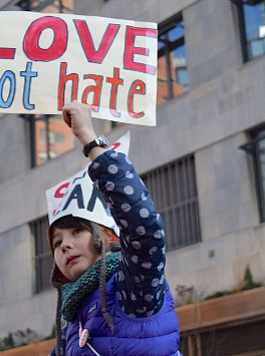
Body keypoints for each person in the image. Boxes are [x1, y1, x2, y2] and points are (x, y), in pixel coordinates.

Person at [47, 101, 180, 355]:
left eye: (77, 232)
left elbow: (144, 228)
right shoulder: (70, 331)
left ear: (106, 237)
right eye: (56, 242)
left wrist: (88, 138)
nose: (64, 245)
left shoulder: (133, 290)